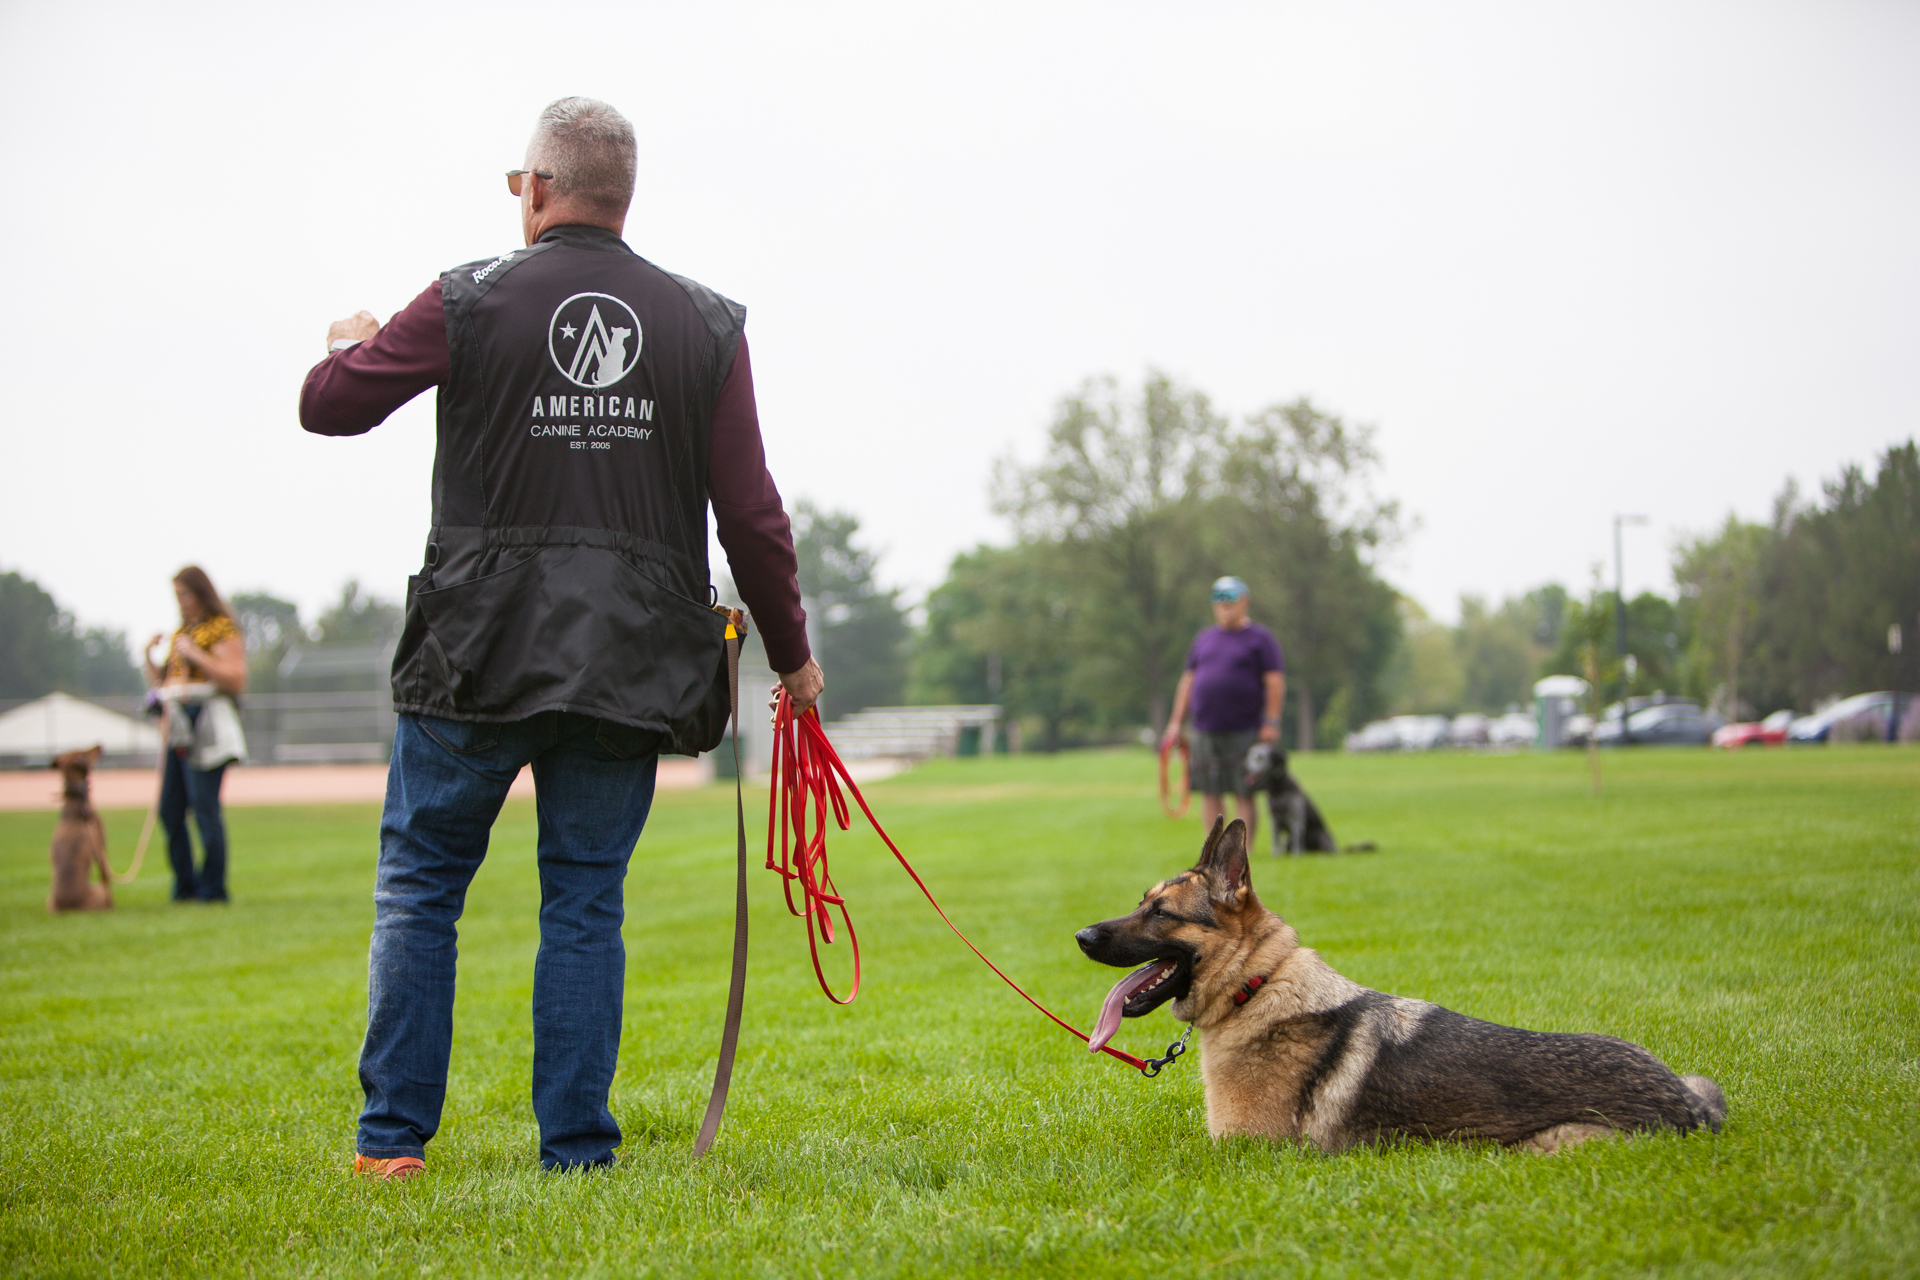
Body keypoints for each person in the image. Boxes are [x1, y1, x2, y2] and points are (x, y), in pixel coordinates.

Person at [299, 97, 823, 1179]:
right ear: (624, 198)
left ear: (535, 189)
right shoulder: (703, 322)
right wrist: (795, 654)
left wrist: (346, 347)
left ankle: (391, 1143)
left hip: (471, 658)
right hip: (627, 662)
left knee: (420, 888)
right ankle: (576, 1152)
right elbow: (753, 513)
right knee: (585, 898)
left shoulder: (467, 297)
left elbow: (330, 407)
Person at [142, 566, 249, 902]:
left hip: (207, 723)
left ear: (201, 592)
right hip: (178, 728)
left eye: (185, 594)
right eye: (177, 596)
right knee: (170, 810)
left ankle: (213, 889)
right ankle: (184, 887)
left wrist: (196, 655)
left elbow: (235, 679)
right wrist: (148, 656)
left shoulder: (222, 629)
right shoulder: (182, 633)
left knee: (205, 809)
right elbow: (164, 683)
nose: (182, 602)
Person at [1160, 576, 1285, 843]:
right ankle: (1215, 854)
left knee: (1244, 791)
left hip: (1245, 727)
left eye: (1231, 599)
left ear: (1245, 602)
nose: (1225, 605)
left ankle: (1242, 854)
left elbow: (1274, 682)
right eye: (1219, 600)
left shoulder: (1260, 639)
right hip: (1205, 727)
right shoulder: (1204, 639)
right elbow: (1188, 681)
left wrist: (1271, 721)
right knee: (1209, 791)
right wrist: (1175, 722)